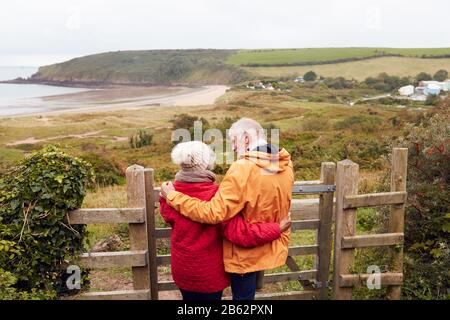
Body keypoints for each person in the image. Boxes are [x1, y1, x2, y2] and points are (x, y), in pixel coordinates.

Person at [161, 118, 294, 300]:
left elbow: (214, 212)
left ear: (245, 138)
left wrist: (172, 196)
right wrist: (275, 229)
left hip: (242, 252)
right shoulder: (285, 164)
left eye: (233, 141)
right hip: (264, 244)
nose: (232, 147)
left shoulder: (243, 168)